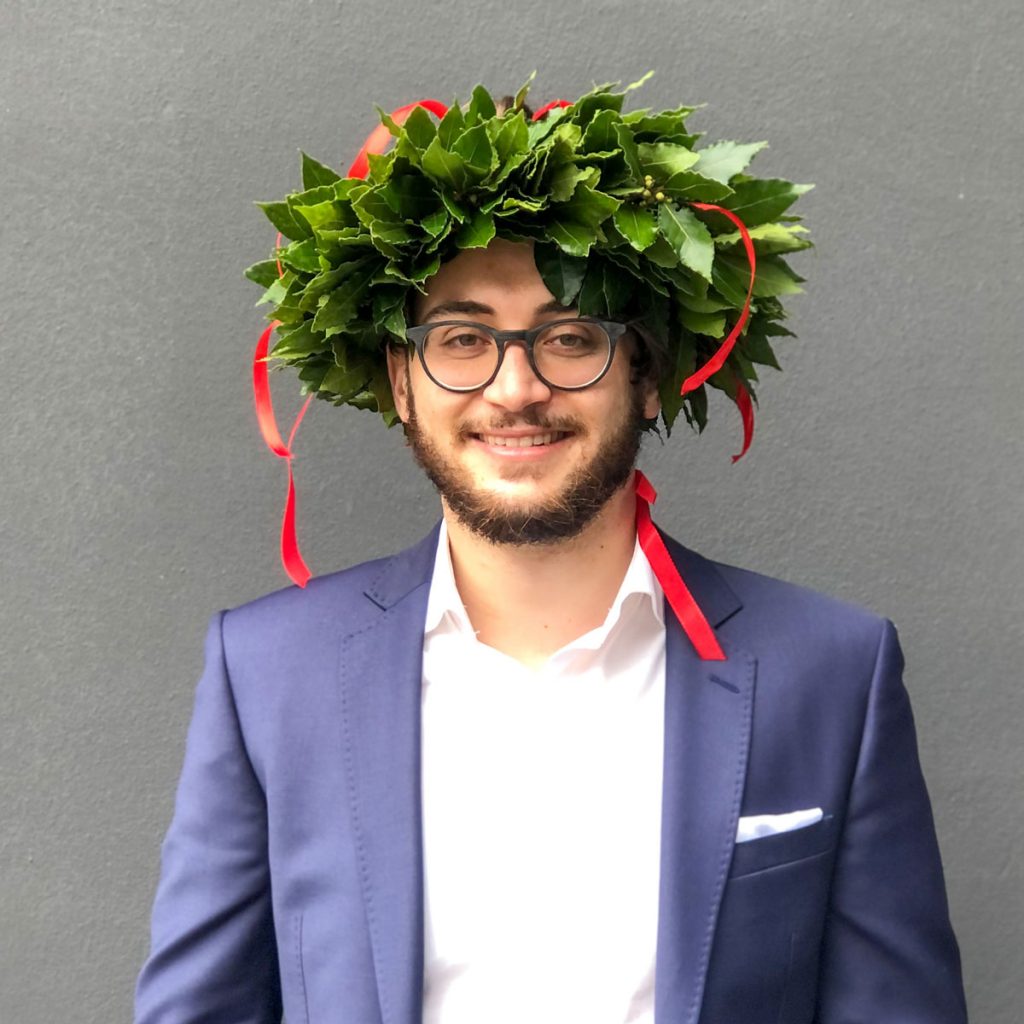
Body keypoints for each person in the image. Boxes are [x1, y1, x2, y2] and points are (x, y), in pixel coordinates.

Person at [135, 81, 967, 1023]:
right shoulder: (267, 672)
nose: (515, 388)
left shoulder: (833, 671)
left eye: (570, 336)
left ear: (647, 374)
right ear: (401, 382)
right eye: (461, 338)